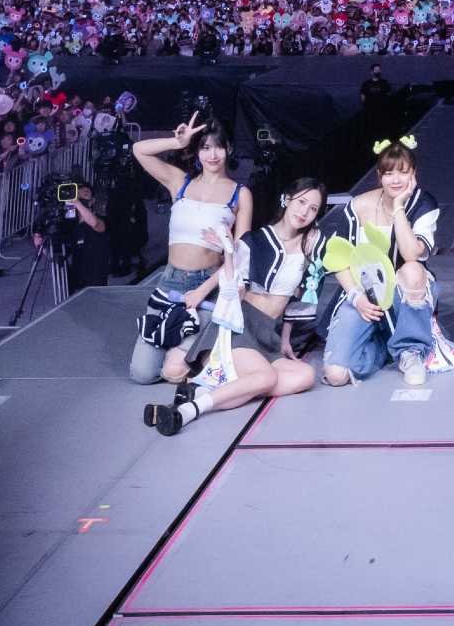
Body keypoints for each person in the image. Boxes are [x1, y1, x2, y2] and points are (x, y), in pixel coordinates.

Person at [146, 178, 323, 435]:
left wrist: (285, 337)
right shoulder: (257, 240)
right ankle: (191, 409)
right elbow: (231, 275)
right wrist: (206, 286)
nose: (304, 212)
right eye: (301, 202)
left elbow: (302, 295)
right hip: (242, 326)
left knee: (305, 375)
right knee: (266, 378)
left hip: (268, 334)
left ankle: (205, 390)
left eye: (313, 208)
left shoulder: (312, 244)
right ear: (287, 199)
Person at [124, 110, 250, 389]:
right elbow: (139, 150)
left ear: (229, 148)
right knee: (142, 374)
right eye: (205, 147)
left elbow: (242, 254)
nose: (212, 155)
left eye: (218, 147)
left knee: (173, 371)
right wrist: (177, 142)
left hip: (207, 286)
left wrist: (203, 290)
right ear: (197, 151)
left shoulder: (239, 194)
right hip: (169, 284)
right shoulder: (179, 183)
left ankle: (196, 354)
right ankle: (185, 349)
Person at [315, 142, 450, 387]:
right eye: (389, 173)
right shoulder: (357, 206)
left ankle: (410, 351)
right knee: (336, 375)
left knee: (412, 270)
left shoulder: (423, 203)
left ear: (414, 174)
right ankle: (382, 348)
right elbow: (338, 257)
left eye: (403, 172)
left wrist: (399, 208)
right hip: (362, 293)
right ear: (379, 176)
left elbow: (411, 255)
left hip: (404, 292)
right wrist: (356, 297)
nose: (395, 179)